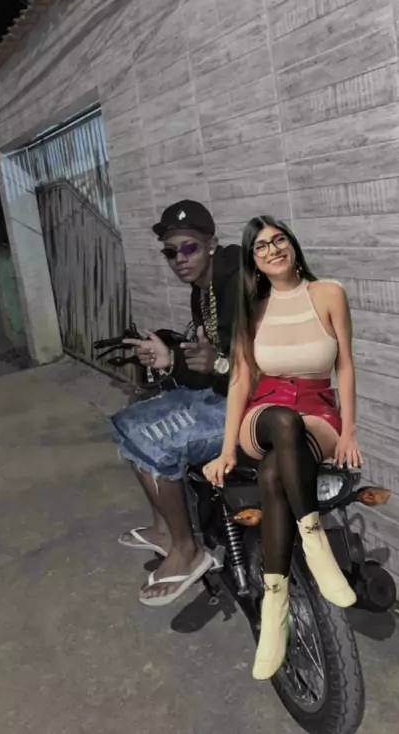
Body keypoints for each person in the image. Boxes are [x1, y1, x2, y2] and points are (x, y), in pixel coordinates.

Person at [203, 215, 362, 680]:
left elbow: (346, 365)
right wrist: (227, 449)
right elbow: (240, 380)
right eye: (261, 246)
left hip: (319, 412)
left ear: (292, 244)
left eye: (279, 240)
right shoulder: (252, 310)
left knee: (275, 472)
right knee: (282, 421)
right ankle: (314, 540)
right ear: (253, 260)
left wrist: (349, 431)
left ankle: (274, 604)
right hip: (266, 413)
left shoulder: (328, 293)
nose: (272, 249)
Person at [111, 200, 239, 607]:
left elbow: (267, 362)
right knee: (128, 422)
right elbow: (207, 369)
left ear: (211, 244)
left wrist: (219, 364)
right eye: (171, 252)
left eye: (189, 248)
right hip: (227, 394)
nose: (179, 259)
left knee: (151, 440)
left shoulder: (243, 285)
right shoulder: (203, 292)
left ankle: (187, 550)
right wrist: (170, 361)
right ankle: (165, 530)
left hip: (256, 407)